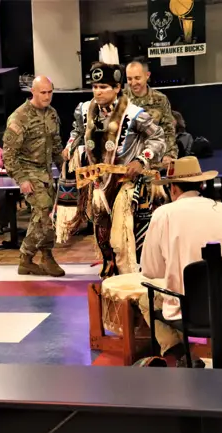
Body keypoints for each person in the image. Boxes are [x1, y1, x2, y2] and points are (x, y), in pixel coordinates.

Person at [63, 62, 166, 278]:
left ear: (117, 88)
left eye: (104, 87)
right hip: (98, 184)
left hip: (126, 184)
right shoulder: (85, 110)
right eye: (95, 87)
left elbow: (158, 138)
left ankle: (131, 277)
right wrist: (70, 145)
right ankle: (110, 274)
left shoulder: (134, 114)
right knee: (102, 232)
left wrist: (141, 160)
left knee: (123, 236)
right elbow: (77, 131)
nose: (98, 92)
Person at [140, 156, 222, 366]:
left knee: (145, 301)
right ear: (202, 184)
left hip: (189, 310)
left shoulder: (163, 214)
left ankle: (182, 356)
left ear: (174, 189)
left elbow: (151, 270)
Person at [3, 75, 65, 277]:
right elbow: (8, 154)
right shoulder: (20, 117)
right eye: (43, 92)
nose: (47, 96)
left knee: (47, 215)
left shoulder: (52, 114)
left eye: (50, 92)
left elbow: (56, 146)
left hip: (47, 173)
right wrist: (22, 180)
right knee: (43, 210)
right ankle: (40, 255)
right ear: (33, 92)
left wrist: (65, 170)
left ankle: (29, 260)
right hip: (28, 171)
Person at [124, 58, 177, 165]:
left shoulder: (160, 99)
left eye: (137, 78)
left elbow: (168, 129)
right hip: (127, 161)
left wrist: (169, 155)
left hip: (154, 159)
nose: (133, 83)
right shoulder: (121, 100)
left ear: (147, 75)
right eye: (129, 79)